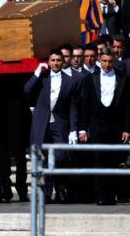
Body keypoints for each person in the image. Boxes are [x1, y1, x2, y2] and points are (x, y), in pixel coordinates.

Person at [24, 49, 79, 203]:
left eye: (58, 60)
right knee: (42, 158)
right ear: (49, 62)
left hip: (60, 124)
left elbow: (73, 107)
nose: (55, 63)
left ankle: (61, 190)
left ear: (63, 62)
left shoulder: (70, 81)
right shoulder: (42, 77)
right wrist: (36, 74)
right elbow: (26, 90)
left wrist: (73, 129)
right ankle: (46, 193)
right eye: (53, 60)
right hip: (41, 123)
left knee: (60, 157)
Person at [78, 47, 130, 205]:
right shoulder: (90, 78)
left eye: (110, 61)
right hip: (97, 125)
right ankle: (101, 196)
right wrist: (82, 128)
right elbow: (85, 105)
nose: (107, 64)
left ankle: (113, 194)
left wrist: (127, 129)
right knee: (99, 160)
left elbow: (128, 105)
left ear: (114, 61)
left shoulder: (122, 78)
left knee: (114, 161)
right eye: (105, 61)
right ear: (100, 60)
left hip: (116, 126)